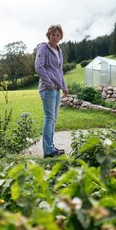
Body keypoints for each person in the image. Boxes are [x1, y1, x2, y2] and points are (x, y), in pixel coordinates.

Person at [35, 24, 68, 158]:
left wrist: (64, 87)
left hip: (56, 89)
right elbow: (39, 67)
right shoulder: (43, 47)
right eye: (53, 34)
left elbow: (59, 71)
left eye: (57, 35)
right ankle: (48, 151)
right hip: (48, 89)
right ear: (49, 35)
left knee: (53, 119)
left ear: (60, 37)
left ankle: (51, 147)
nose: (55, 37)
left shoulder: (59, 51)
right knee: (49, 118)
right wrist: (49, 83)